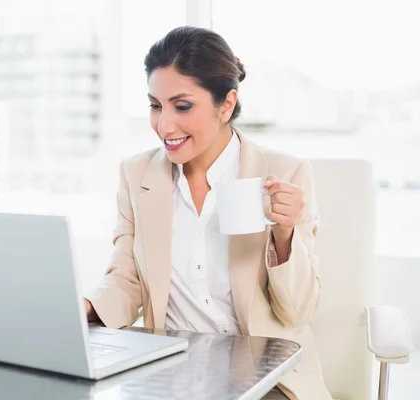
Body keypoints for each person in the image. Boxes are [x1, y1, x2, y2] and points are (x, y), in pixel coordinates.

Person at [83, 26, 331, 400]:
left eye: (182, 106)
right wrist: (84, 307)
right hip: (169, 373)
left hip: (265, 378)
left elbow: (297, 312)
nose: (164, 125)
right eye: (155, 105)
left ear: (226, 105)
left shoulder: (284, 173)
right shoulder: (136, 175)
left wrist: (284, 234)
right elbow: (127, 277)